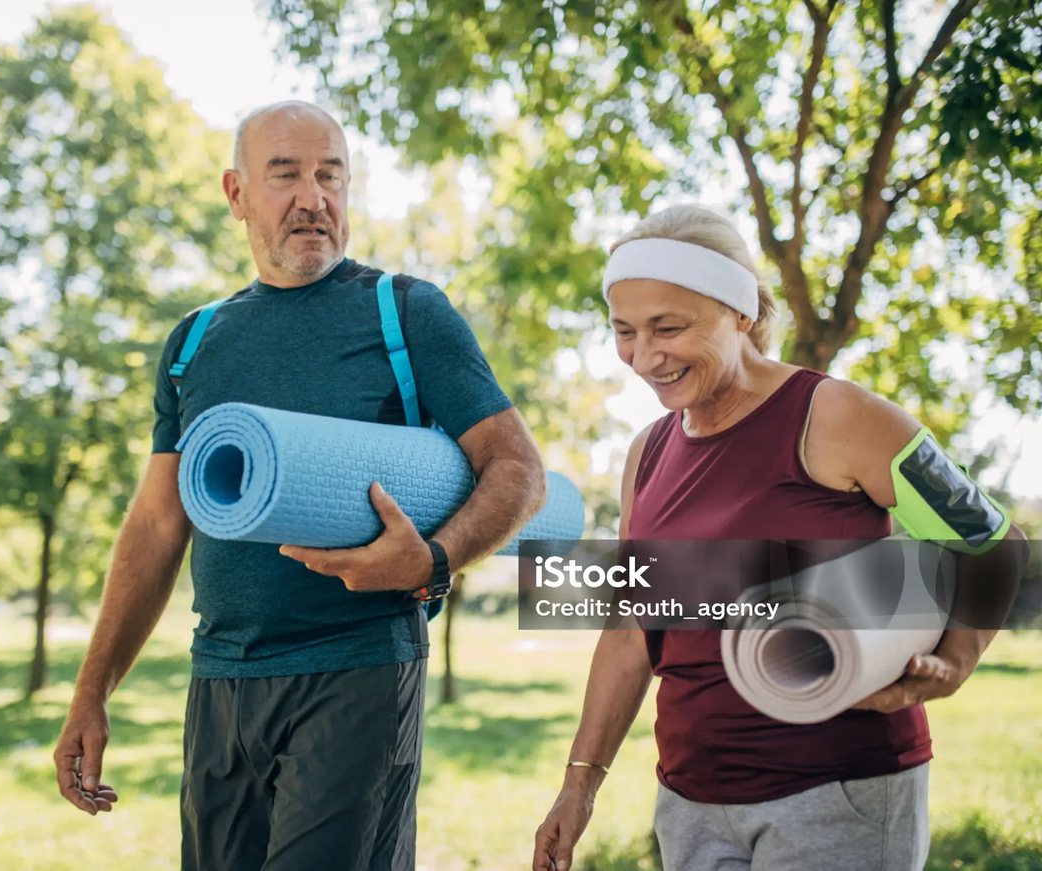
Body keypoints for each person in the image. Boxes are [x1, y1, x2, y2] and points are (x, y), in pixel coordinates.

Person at [51, 100, 546, 871]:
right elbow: (155, 523)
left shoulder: (406, 313)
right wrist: (91, 692)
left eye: (331, 176)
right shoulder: (195, 341)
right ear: (237, 193)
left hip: (358, 668)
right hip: (220, 675)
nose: (313, 198)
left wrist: (434, 562)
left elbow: (518, 469)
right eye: (285, 175)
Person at [532, 205, 1027, 871]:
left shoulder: (836, 417)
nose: (644, 356)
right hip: (691, 799)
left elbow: (991, 540)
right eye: (624, 331)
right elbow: (629, 631)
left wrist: (958, 660)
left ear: (739, 311)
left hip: (837, 795)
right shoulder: (647, 453)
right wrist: (579, 784)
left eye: (668, 328)